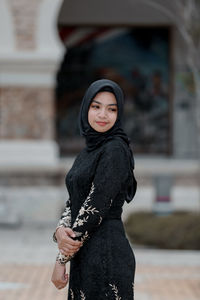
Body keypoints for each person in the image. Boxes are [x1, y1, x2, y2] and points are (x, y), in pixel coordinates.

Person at [51, 79, 137, 299]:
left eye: (112, 109)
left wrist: (60, 260)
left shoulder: (115, 149)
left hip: (107, 256)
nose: (102, 115)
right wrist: (60, 231)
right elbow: (75, 200)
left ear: (119, 114)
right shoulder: (89, 149)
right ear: (86, 107)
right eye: (96, 106)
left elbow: (94, 207)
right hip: (84, 255)